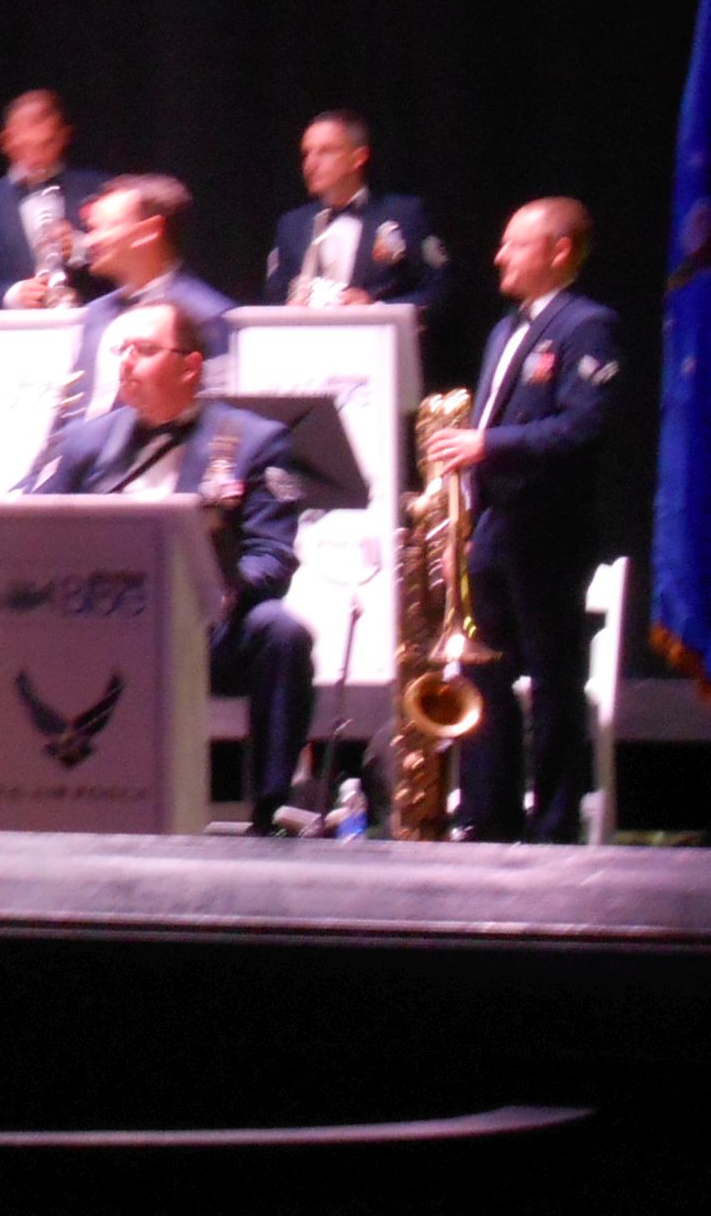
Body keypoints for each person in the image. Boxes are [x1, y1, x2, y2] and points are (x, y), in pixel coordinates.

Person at [29, 300, 318, 830]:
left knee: (281, 631)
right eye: (121, 350)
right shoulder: (84, 442)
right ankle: (40, 803)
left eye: (143, 350)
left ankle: (272, 806)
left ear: (190, 366)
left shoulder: (256, 441)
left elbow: (273, 557)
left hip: (205, 631)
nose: (125, 363)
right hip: (99, 627)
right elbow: (26, 524)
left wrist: (201, 588)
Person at [421, 198, 619, 842]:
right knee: (483, 680)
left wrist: (488, 445)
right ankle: (488, 818)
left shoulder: (587, 325)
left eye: (515, 245)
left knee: (555, 682)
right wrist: (461, 520)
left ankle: (556, 825)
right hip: (492, 533)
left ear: (559, 251)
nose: (499, 256)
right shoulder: (506, 331)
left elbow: (585, 426)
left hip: (548, 535)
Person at [49, 175, 236, 438]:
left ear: (149, 232)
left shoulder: (206, 314)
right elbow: (65, 420)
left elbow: (213, 425)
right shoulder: (95, 314)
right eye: (91, 229)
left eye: (105, 228)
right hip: (75, 471)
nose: (90, 242)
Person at [260, 110, 448, 316]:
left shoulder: (404, 214)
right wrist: (288, 309)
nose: (310, 164)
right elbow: (273, 298)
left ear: (358, 158)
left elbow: (439, 289)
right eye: (306, 153)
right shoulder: (291, 225)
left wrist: (377, 311)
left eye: (325, 151)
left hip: (377, 344)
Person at [0, 89, 110, 309]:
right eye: (25, 146)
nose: (36, 158)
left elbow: (128, 270)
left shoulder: (98, 189)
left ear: (64, 136)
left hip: (89, 321)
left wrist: (82, 248)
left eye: (47, 144)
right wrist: (12, 295)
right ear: (6, 141)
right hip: (16, 333)